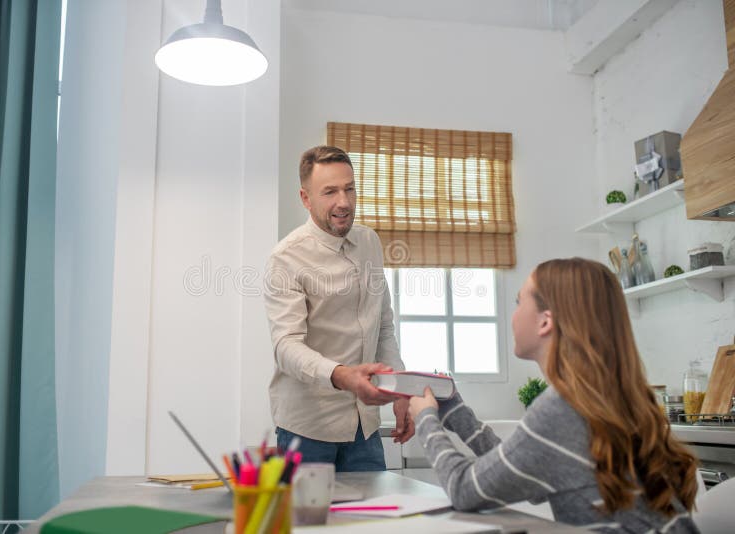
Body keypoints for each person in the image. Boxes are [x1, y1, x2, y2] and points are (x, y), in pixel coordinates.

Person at [408, 258, 699, 532]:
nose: (513, 315)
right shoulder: (600, 398)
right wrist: (455, 413)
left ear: (545, 321)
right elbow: (521, 466)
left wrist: (425, 418)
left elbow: (464, 489)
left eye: (519, 302)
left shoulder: (562, 408)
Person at [264, 145, 414, 471]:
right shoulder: (286, 257)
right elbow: (286, 347)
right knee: (307, 524)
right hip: (307, 431)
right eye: (330, 192)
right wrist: (342, 376)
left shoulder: (370, 243)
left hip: (365, 428)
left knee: (372, 523)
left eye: (349, 189)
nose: (343, 202)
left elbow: (383, 325)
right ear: (306, 198)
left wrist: (401, 389)